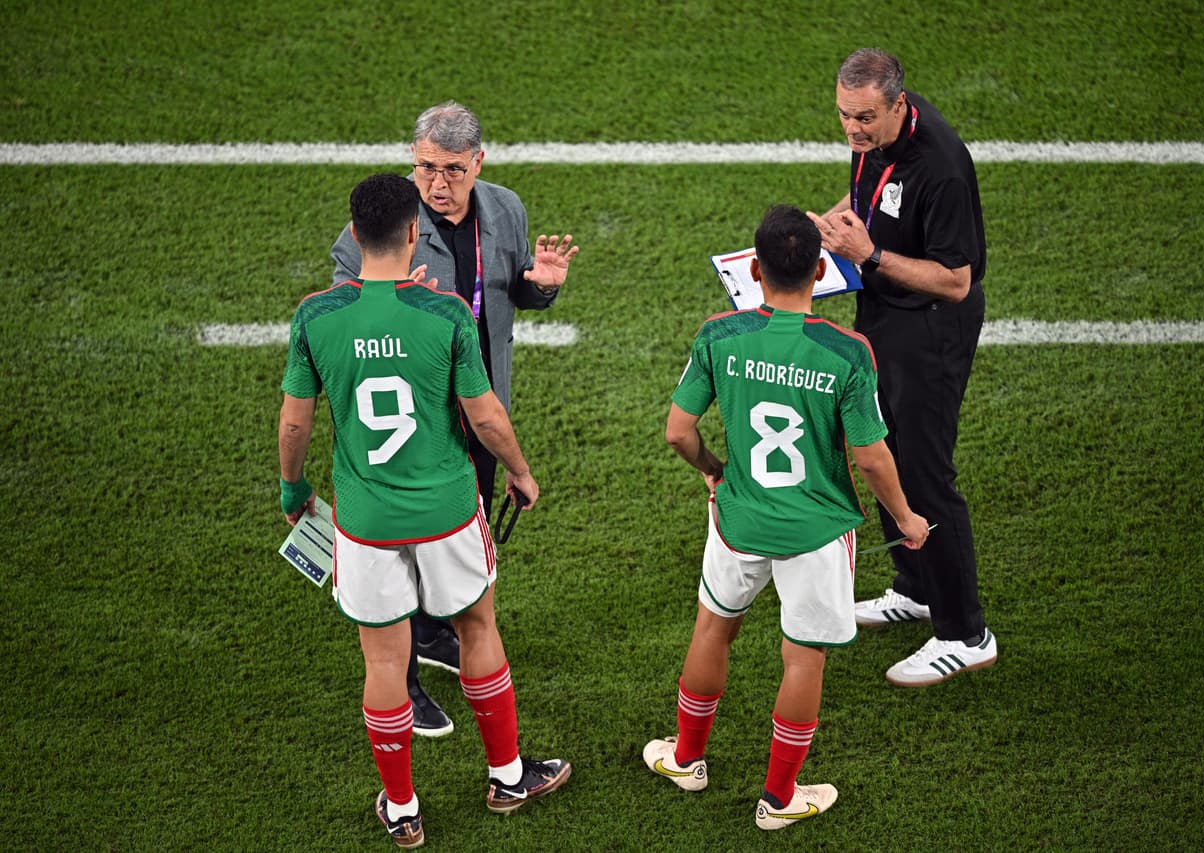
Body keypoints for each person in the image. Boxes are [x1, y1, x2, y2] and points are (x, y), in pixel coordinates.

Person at [283, 173, 571, 848]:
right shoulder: (445, 314)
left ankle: (403, 807)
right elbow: (485, 416)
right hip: (447, 512)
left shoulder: (316, 317)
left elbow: (295, 422)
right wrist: (521, 472)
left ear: (355, 235)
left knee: (384, 662)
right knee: (477, 627)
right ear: (415, 232)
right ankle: (507, 776)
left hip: (365, 522)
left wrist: (293, 490)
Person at [644, 205, 930, 830]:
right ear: (822, 270)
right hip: (816, 532)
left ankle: (686, 759)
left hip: (739, 520)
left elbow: (677, 432)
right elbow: (871, 457)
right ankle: (778, 799)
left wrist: (714, 469)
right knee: (803, 659)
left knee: (712, 630)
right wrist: (906, 518)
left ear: (753, 269)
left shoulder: (719, 335)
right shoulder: (848, 351)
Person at [330, 101, 579, 734]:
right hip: (412, 426)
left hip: (482, 405)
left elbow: (509, 293)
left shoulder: (506, 209)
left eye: (451, 170)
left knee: (459, 537)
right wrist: (395, 306)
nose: (437, 184)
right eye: (425, 168)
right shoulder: (387, 222)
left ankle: (433, 632)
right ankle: (405, 681)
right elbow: (341, 318)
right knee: (407, 552)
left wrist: (541, 286)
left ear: (478, 163)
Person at [806, 48, 996, 687]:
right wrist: (829, 227)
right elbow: (868, 193)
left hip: (931, 328)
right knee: (882, 449)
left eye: (864, 118)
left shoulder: (941, 167)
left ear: (897, 105)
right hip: (885, 312)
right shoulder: (876, 135)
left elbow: (957, 281)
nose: (852, 129)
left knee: (924, 473)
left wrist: (870, 254)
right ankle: (915, 587)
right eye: (843, 115)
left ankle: (965, 634)